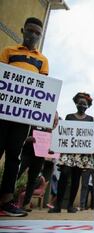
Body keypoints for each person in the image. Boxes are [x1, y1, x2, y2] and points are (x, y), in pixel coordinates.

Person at [0, 17, 50, 217]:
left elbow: (44, 89)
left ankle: (6, 201)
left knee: (14, 156)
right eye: (30, 31)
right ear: (22, 30)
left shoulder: (42, 60)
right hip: (3, 113)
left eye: (38, 33)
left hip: (22, 118)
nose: (33, 35)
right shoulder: (8, 52)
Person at [49, 92, 94, 213]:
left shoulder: (91, 119)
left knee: (76, 178)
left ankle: (70, 205)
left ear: (88, 106)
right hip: (68, 153)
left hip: (82, 154)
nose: (81, 105)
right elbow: (63, 132)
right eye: (79, 103)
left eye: (84, 103)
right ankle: (58, 205)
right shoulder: (69, 116)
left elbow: (92, 136)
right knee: (64, 175)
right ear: (76, 104)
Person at [16, 126, 55, 212]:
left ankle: (25, 204)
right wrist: (26, 139)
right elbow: (19, 136)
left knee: (32, 180)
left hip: (39, 157)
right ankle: (6, 200)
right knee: (16, 175)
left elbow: (51, 144)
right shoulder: (30, 124)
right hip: (26, 154)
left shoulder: (48, 129)